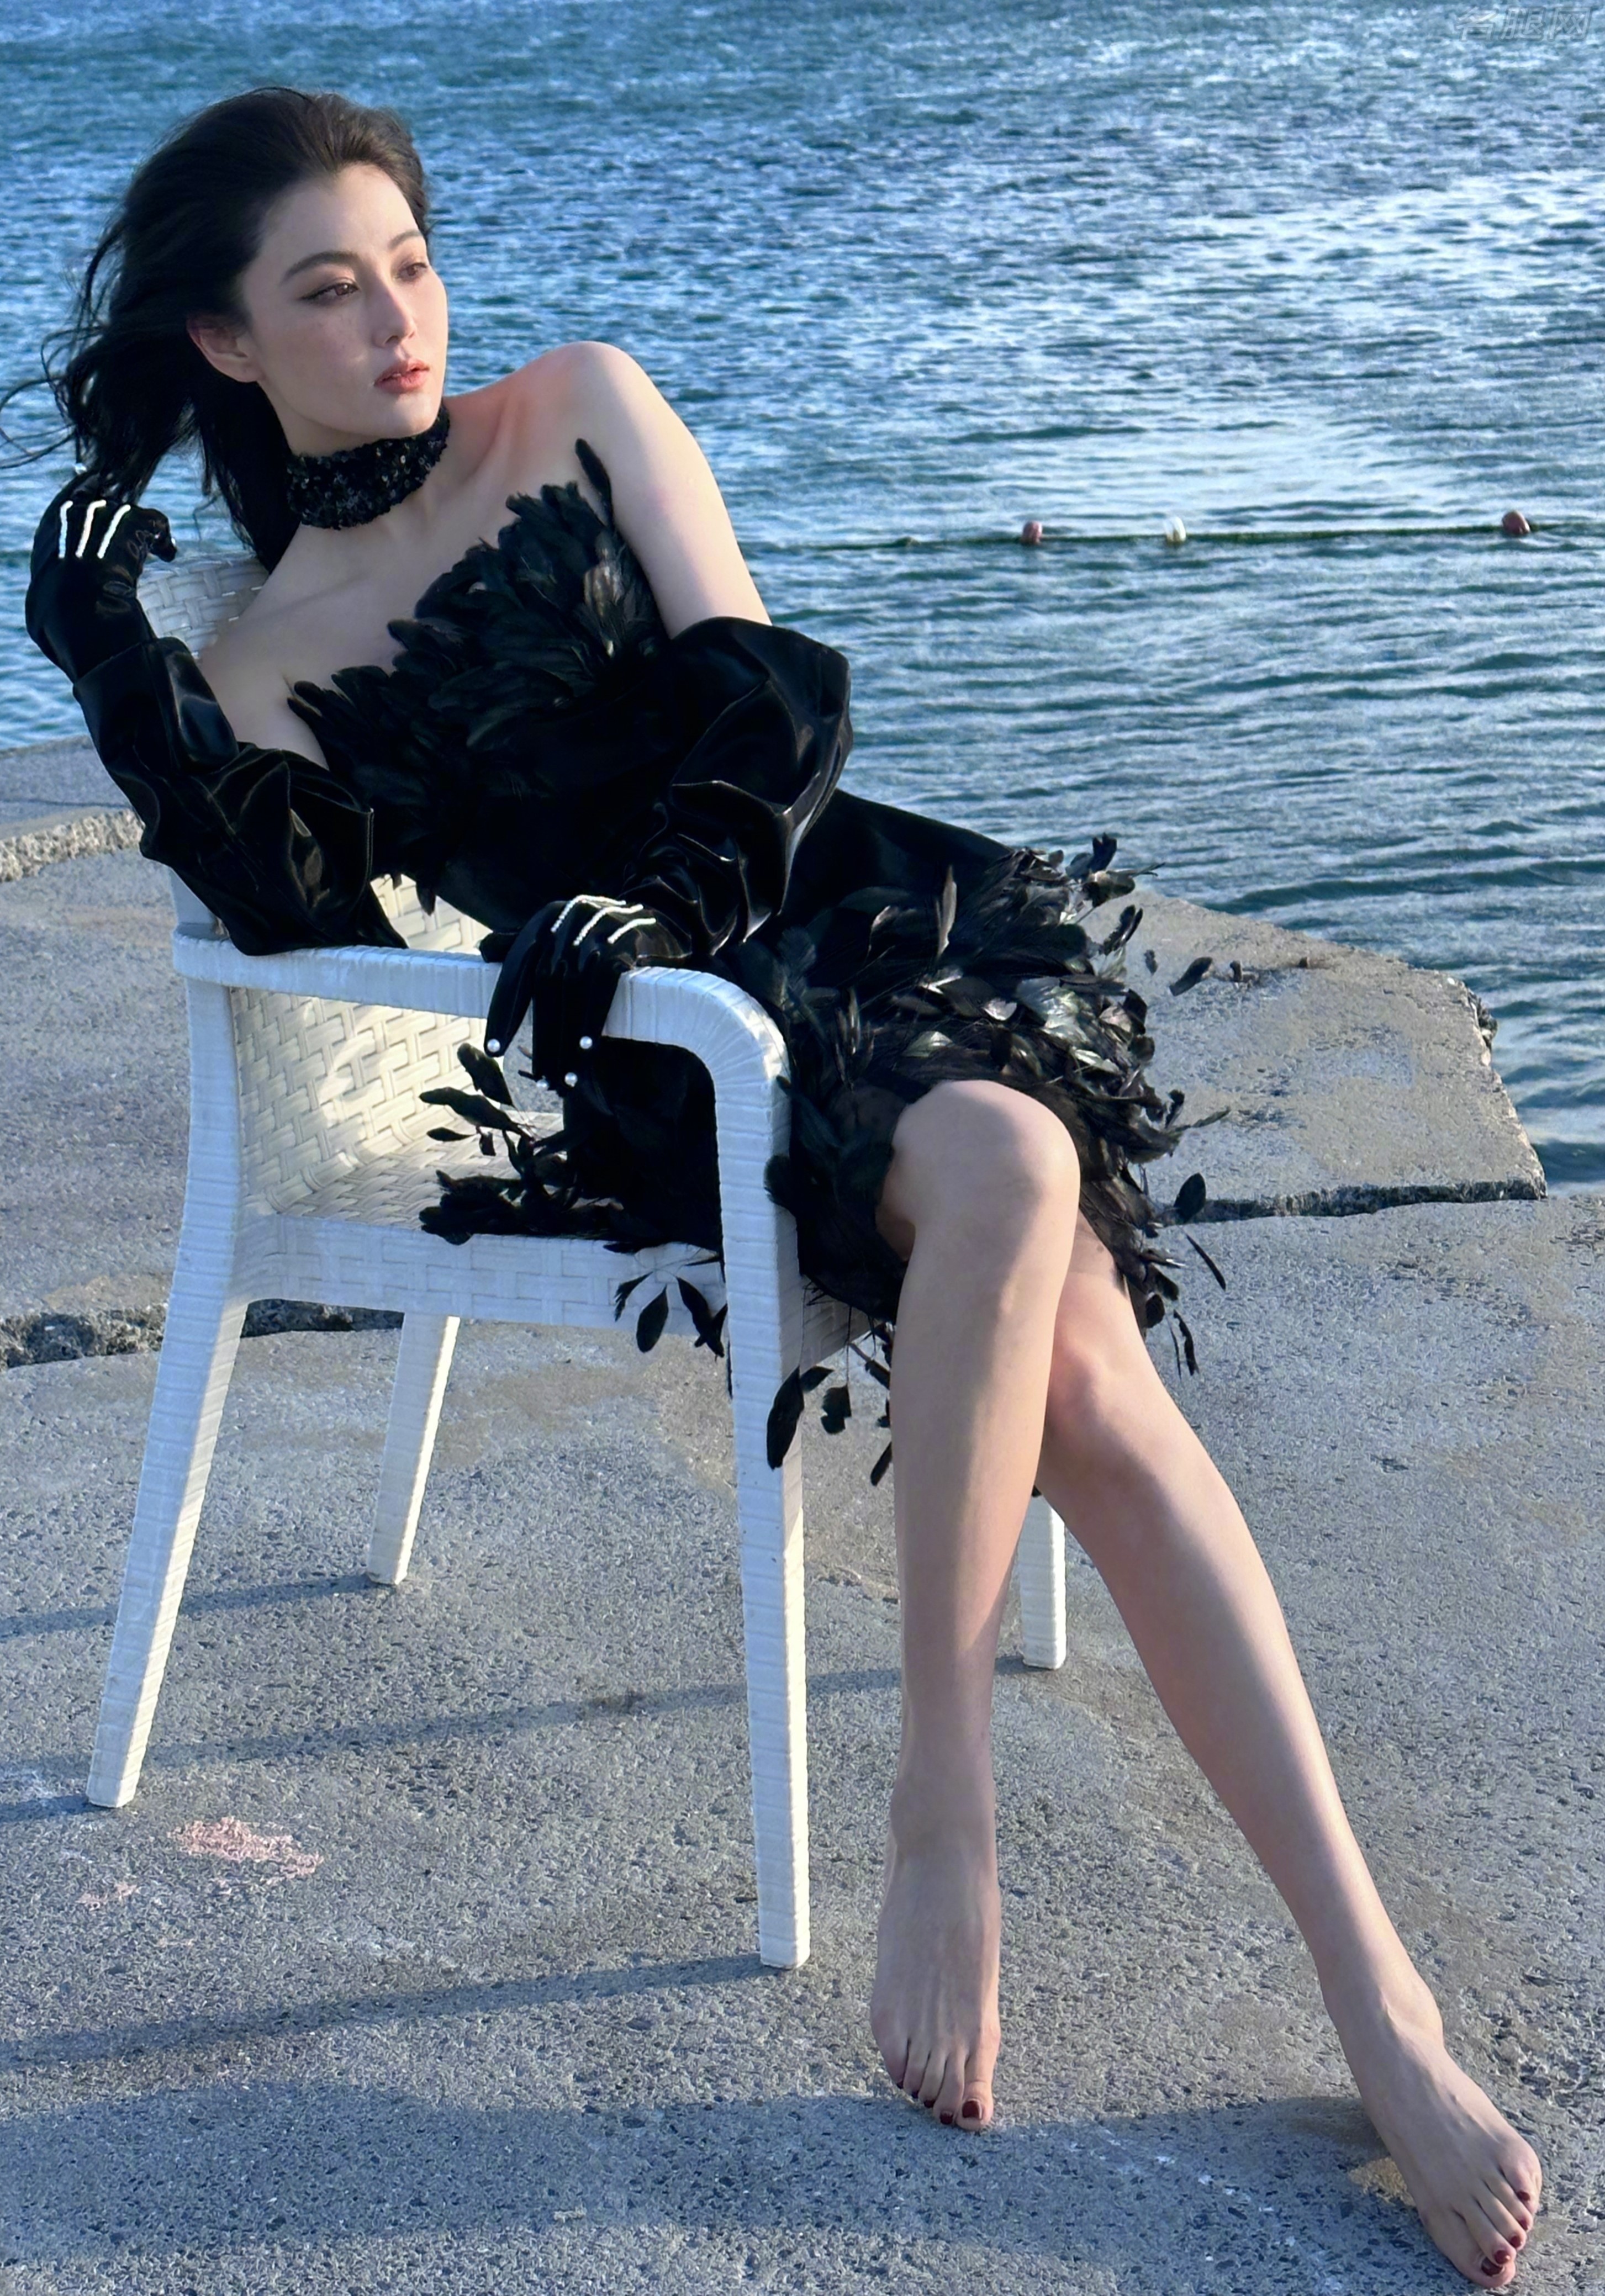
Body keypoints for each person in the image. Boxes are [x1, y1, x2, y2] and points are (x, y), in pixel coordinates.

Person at [16, 84, 1540, 2287]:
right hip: (668, 1066)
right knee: (1053, 1285)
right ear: (228, 342)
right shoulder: (268, 649)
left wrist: (663, 886)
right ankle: (1336, 1984)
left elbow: (762, 698)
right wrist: (114, 668)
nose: (399, 321)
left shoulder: (577, 405)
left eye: (410, 266)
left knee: (1031, 1225)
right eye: (328, 292)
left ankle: (970, 1813)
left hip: (850, 921)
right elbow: (291, 915)